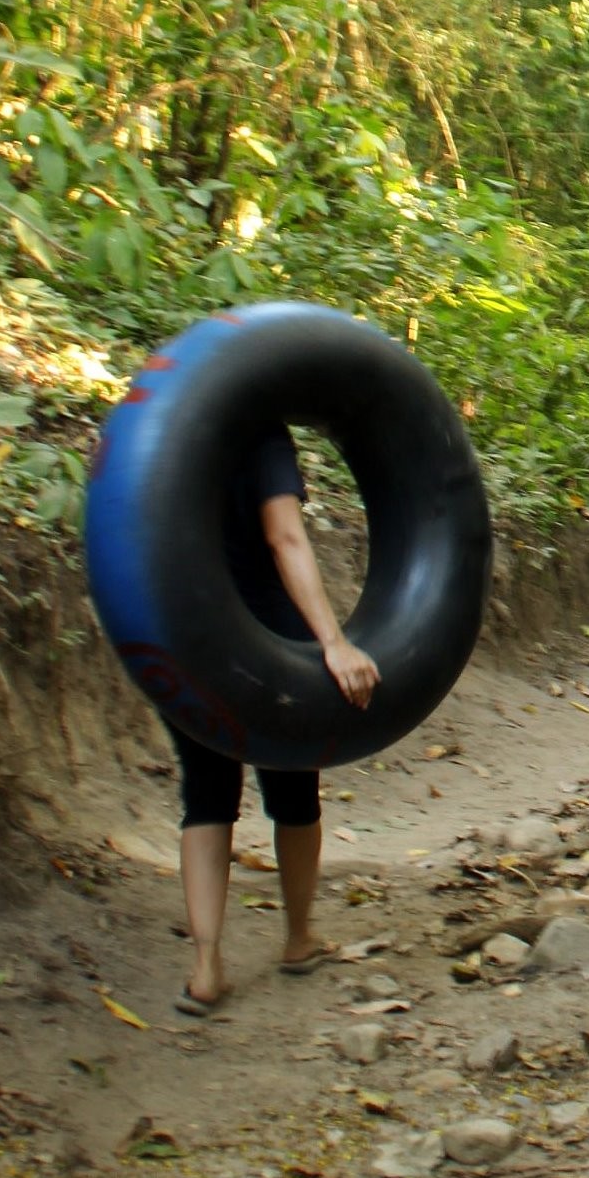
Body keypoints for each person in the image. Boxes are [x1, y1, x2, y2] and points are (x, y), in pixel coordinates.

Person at [173, 427, 378, 1016]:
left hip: (190, 637)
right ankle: (298, 938)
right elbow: (285, 537)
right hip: (268, 643)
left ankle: (206, 967)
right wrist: (333, 642)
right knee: (293, 791)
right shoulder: (261, 437)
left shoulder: (180, 429)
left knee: (206, 798)